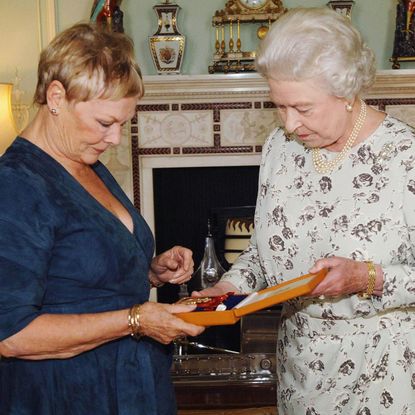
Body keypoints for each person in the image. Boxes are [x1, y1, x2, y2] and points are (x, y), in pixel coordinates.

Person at [196, 7, 415, 415]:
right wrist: (228, 290)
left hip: (385, 372)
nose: (290, 123)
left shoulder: (405, 156)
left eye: (303, 108)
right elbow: (263, 250)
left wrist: (365, 276)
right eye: (279, 106)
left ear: (346, 91)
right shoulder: (280, 148)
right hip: (302, 371)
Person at [0, 22, 204, 415]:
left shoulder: (85, 161)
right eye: (105, 122)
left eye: (123, 124)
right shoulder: (15, 186)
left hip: (132, 384)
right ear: (56, 96)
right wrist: (135, 321)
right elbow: (11, 333)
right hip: (66, 394)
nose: (114, 139)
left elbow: (76, 276)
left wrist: (149, 273)